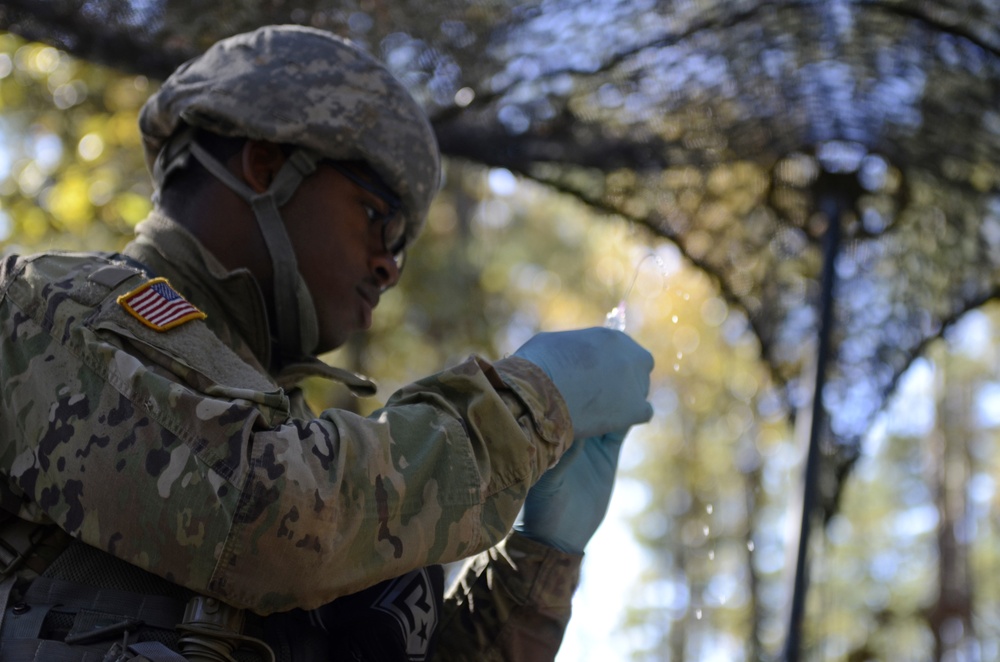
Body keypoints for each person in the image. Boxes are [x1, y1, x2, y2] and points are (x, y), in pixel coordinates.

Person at [0, 25, 653, 662]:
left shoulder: (303, 444)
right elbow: (265, 524)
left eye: (400, 245)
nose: (389, 266)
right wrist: (522, 411)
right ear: (267, 165)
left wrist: (537, 558)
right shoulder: (52, 309)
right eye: (380, 218)